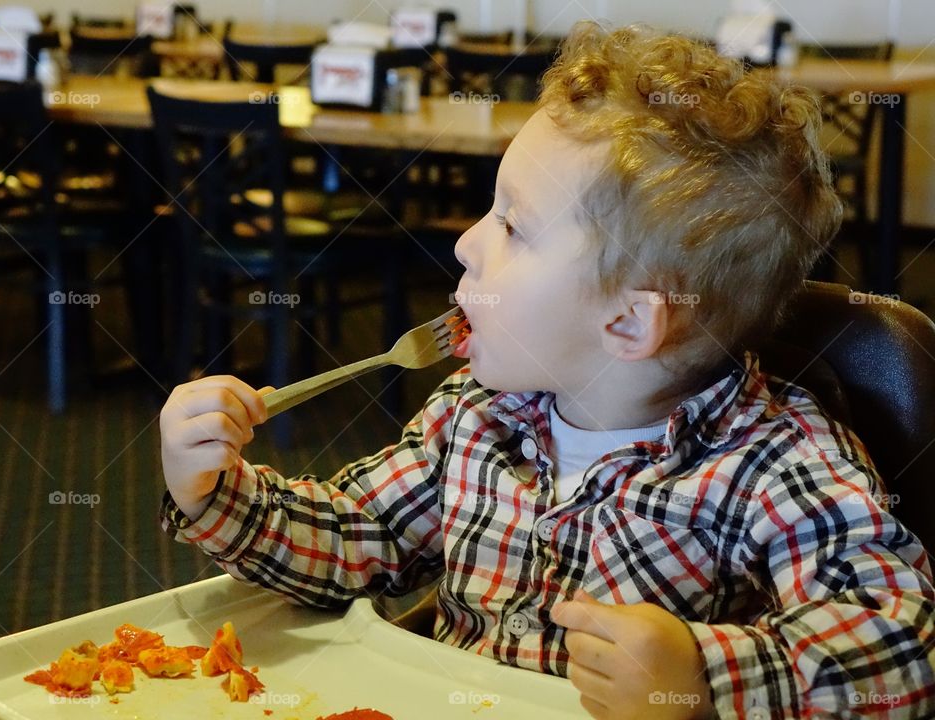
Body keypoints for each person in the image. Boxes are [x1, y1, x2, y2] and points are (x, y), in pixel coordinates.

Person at [158, 22, 935, 720]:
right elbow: (357, 539)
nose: (465, 242)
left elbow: (898, 649)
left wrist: (703, 678)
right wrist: (218, 492)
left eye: (512, 225)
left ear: (628, 320)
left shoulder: (776, 462)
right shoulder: (474, 415)